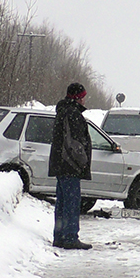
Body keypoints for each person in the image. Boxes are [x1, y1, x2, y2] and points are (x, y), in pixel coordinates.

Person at [48, 82, 93, 250]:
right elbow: (74, 143)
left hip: (61, 164)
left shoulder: (63, 111)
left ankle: (59, 236)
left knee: (62, 202)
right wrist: (82, 161)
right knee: (72, 203)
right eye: (83, 97)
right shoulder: (72, 114)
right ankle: (70, 237)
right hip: (69, 165)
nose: (84, 100)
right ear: (77, 98)